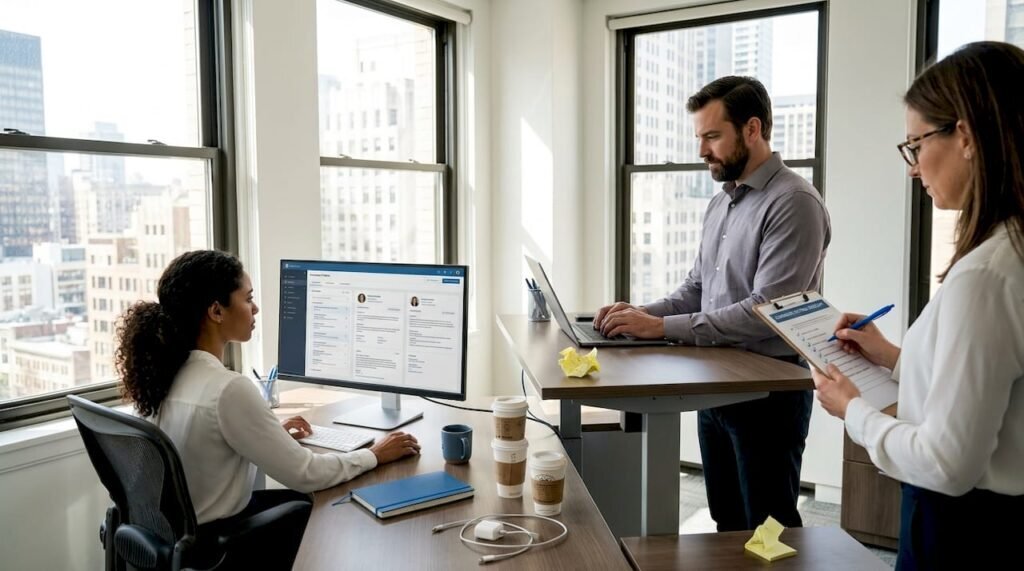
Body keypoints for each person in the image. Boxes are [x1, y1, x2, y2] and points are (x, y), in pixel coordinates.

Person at [813, 41, 1024, 570]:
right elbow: (989, 388)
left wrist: (853, 410)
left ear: (967, 137)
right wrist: (890, 357)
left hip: (966, 532)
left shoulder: (987, 275)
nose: (912, 167)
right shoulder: (1011, 251)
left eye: (915, 144)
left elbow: (948, 462)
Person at [593, 76, 832, 531]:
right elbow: (696, 288)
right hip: (715, 385)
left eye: (711, 136)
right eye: (698, 137)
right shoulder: (721, 204)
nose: (702, 149)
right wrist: (639, 314)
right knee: (726, 522)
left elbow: (767, 309)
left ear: (752, 129)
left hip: (767, 394)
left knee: (768, 532)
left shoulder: (793, 202)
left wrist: (660, 329)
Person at [115, 250, 420, 569]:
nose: (255, 308)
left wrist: (269, 432)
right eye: (248, 299)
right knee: (315, 503)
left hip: (179, 539)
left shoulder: (166, 375)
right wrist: (376, 454)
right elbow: (307, 474)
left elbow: (205, 444)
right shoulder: (227, 388)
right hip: (215, 548)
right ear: (217, 311)